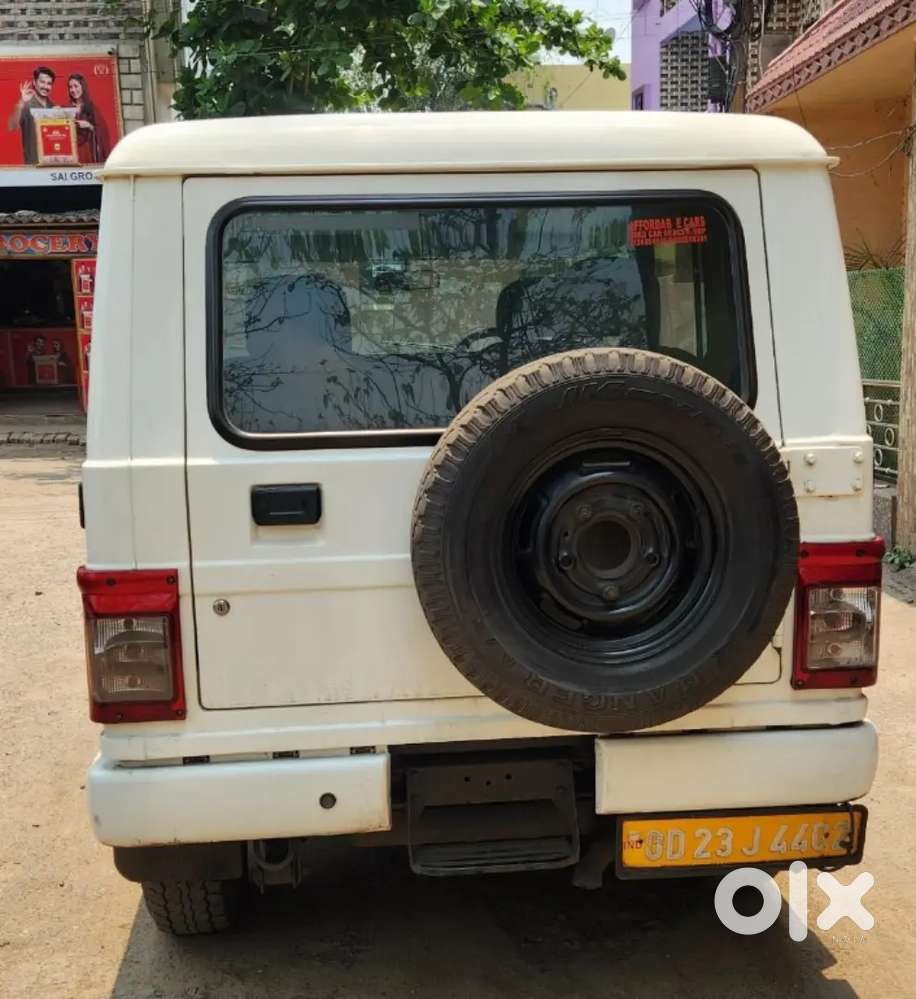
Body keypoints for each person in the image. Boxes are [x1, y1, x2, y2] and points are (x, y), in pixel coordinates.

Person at [6, 65, 55, 165]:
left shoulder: (53, 106)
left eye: (49, 83)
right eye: (42, 82)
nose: (45, 86)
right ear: (34, 82)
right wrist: (21, 103)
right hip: (33, 164)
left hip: (51, 163)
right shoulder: (26, 104)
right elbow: (11, 126)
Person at [68, 74, 111, 165]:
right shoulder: (67, 108)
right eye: (70, 87)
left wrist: (89, 125)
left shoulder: (91, 108)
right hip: (72, 152)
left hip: (87, 152)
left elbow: (102, 131)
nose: (73, 90)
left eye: (76, 86)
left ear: (82, 87)